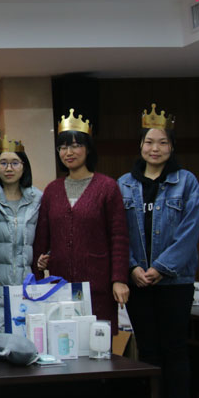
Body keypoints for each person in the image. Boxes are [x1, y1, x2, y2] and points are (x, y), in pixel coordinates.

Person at [118, 105, 199, 398]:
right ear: (140, 145)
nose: (155, 149)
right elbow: (118, 233)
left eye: (162, 142)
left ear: (172, 146)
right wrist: (132, 267)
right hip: (138, 280)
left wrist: (161, 268)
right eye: (149, 142)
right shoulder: (124, 185)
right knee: (149, 350)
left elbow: (189, 233)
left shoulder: (187, 182)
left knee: (175, 348)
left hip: (175, 282)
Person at [33, 109, 129, 331]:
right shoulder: (52, 190)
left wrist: (119, 279)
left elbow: (119, 237)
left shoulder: (107, 187)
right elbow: (41, 240)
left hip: (98, 285)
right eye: (63, 147)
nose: (69, 152)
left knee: (98, 341)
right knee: (62, 340)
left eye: (76, 145)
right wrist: (38, 270)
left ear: (88, 148)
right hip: (60, 287)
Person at [0, 136, 42, 333]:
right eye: (3, 163)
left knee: (26, 340)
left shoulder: (37, 198)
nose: (9, 168)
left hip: (26, 287)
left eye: (15, 163)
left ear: (24, 166)